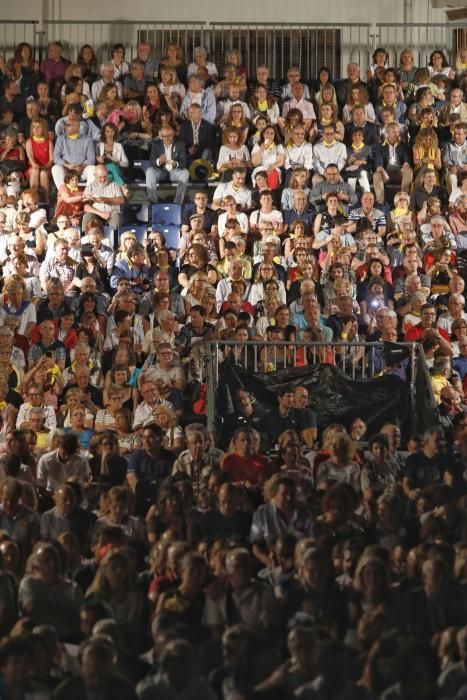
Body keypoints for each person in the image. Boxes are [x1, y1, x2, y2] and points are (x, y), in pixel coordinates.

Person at [145, 126, 189, 205]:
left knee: (185, 173)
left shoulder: (180, 144)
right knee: (149, 171)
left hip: (174, 171)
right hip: (160, 171)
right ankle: (152, 202)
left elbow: (184, 162)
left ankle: (178, 203)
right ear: (161, 136)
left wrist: (176, 164)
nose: (167, 139)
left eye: (169, 136)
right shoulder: (156, 144)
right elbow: (151, 162)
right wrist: (158, 161)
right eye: (165, 136)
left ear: (173, 135)